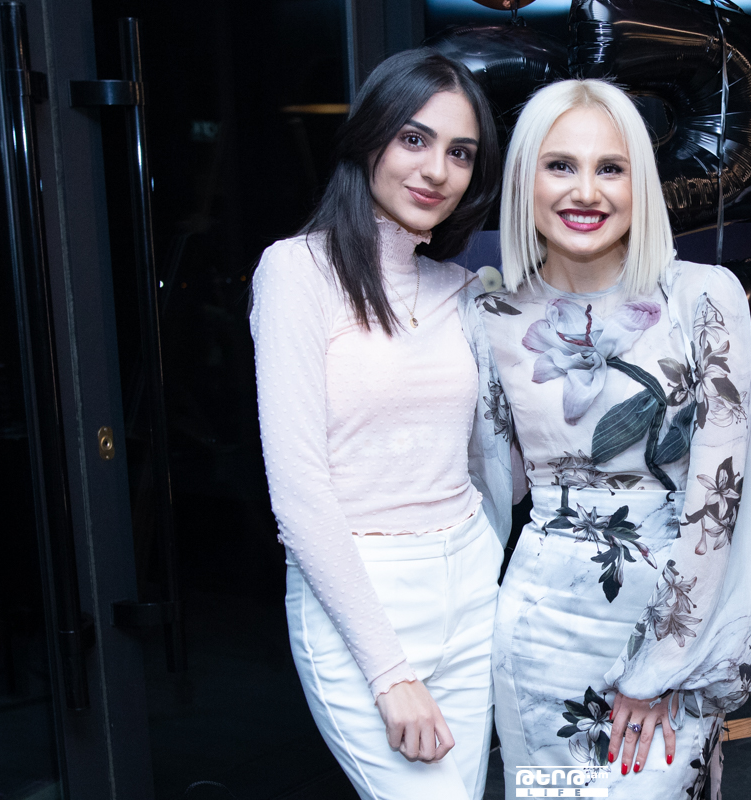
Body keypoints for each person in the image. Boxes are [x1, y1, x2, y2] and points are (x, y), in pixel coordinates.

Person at [462, 79, 751, 799]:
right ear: (525, 178)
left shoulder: (703, 297)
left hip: (674, 632)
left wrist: (662, 666)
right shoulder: (488, 313)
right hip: (537, 638)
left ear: (640, 184)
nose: (585, 191)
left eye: (610, 168)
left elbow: (718, 506)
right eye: (560, 165)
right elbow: (486, 498)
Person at [249, 49, 508, 799]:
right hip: (363, 593)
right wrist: (390, 673)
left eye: (460, 153)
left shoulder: (463, 290)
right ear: (370, 139)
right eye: (414, 139)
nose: (437, 171)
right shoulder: (297, 272)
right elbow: (299, 494)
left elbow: (487, 459)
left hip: (471, 579)